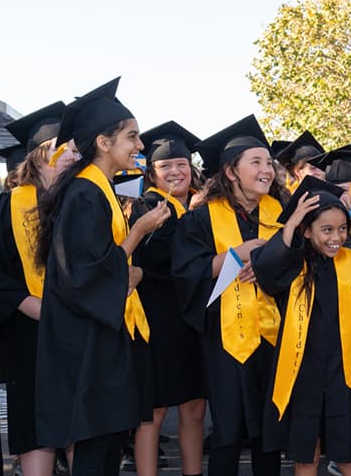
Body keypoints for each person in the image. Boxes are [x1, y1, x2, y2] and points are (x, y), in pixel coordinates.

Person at [33, 78, 171, 476]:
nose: (140, 146)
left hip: (103, 339)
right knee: (95, 451)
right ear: (103, 142)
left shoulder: (101, 190)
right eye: (132, 137)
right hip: (87, 345)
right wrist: (137, 233)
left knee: (108, 446)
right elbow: (83, 275)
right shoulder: (84, 194)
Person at [251, 176, 351, 476]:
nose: (335, 237)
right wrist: (291, 223)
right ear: (307, 231)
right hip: (301, 373)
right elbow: (266, 270)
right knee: (306, 458)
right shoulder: (293, 264)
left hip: (347, 372)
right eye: (326, 229)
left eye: (341, 229)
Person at [171, 115, 286, 476]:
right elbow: (188, 272)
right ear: (231, 172)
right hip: (225, 339)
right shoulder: (201, 218)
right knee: (228, 432)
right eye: (257, 162)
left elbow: (301, 268)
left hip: (274, 336)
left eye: (269, 162)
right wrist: (240, 254)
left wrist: (268, 266)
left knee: (270, 432)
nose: (267, 169)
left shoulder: (281, 213)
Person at [0, 101, 78, 476]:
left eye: (74, 147)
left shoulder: (84, 200)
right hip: (29, 334)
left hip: (79, 329)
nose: (73, 153)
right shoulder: (6, 206)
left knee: (80, 427)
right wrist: (24, 302)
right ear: (39, 156)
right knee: (35, 424)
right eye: (63, 147)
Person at [128, 121, 207, 476]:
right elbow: (161, 259)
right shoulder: (147, 208)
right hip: (158, 318)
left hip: (194, 319)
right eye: (165, 166)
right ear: (152, 173)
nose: (176, 171)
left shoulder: (203, 208)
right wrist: (189, 218)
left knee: (194, 408)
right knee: (154, 410)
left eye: (182, 164)